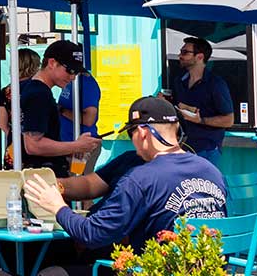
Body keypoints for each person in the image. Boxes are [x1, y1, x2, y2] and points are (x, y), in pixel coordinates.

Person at [25, 97, 228, 276]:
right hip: (209, 268)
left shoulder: (140, 178)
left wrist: (57, 207)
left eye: (130, 133)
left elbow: (92, 235)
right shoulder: (212, 171)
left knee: (51, 273)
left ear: (141, 133)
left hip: (154, 270)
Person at [18, 41, 102, 176]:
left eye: (76, 72)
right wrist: (77, 146)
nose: (73, 77)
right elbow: (33, 145)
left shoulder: (33, 89)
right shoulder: (39, 95)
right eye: (69, 70)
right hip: (42, 176)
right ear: (51, 63)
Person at [170, 37, 237, 164]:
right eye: (180, 51)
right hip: (182, 146)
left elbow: (229, 120)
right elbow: (179, 108)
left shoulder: (215, 84)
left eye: (185, 52)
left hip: (207, 148)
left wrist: (200, 120)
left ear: (200, 57)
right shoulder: (179, 81)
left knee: (202, 183)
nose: (180, 55)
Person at [57, 47, 102, 173]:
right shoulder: (72, 81)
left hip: (82, 148)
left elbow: (89, 119)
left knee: (76, 183)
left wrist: (61, 111)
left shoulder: (86, 83)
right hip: (70, 145)